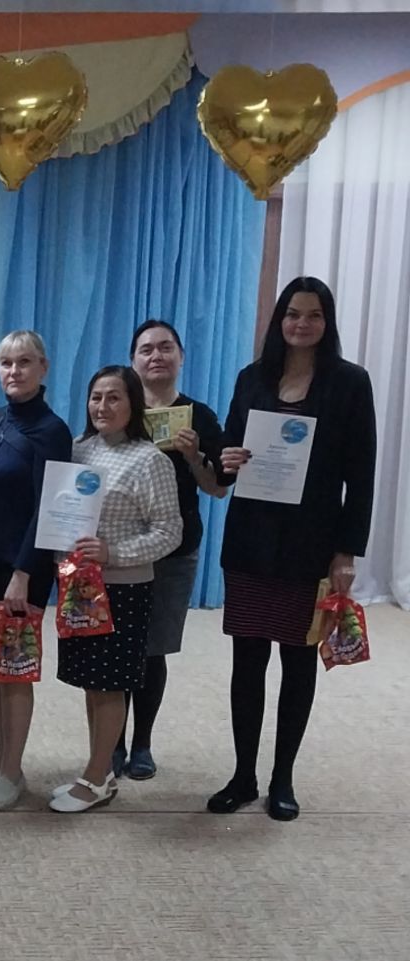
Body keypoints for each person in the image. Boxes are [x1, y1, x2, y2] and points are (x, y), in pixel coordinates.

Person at [211, 277, 376, 821]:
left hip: (311, 544)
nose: (301, 324)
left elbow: (362, 476)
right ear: (279, 320)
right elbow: (228, 455)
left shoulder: (350, 383)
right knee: (247, 661)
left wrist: (347, 551)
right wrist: (225, 460)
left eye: (313, 315)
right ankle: (243, 776)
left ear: (327, 323)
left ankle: (282, 778)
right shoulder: (252, 377)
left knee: (298, 660)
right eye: (292, 314)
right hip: (251, 540)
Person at [49, 366, 181, 813]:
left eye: (113, 398)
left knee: (109, 685)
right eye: (96, 397)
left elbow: (170, 531)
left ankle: (94, 778)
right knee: (91, 682)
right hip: (79, 588)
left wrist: (115, 552)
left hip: (123, 589)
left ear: (133, 404)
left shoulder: (150, 460)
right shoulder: (77, 450)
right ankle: (101, 770)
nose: (102, 406)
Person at [0, 330, 73, 811]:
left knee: (15, 670)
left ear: (43, 367)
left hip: (23, 569)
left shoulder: (52, 431)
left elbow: (51, 508)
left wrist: (25, 572)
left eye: (24, 362)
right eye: (6, 363)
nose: (14, 371)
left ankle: (14, 770)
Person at [121, 319, 227, 780]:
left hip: (175, 550)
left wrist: (193, 456)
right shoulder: (119, 407)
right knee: (116, 646)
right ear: (133, 360)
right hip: (120, 549)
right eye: (146, 349)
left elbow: (217, 488)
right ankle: (111, 742)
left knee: (153, 649)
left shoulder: (199, 416)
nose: (156, 356)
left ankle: (141, 743)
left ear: (181, 357)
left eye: (166, 347)